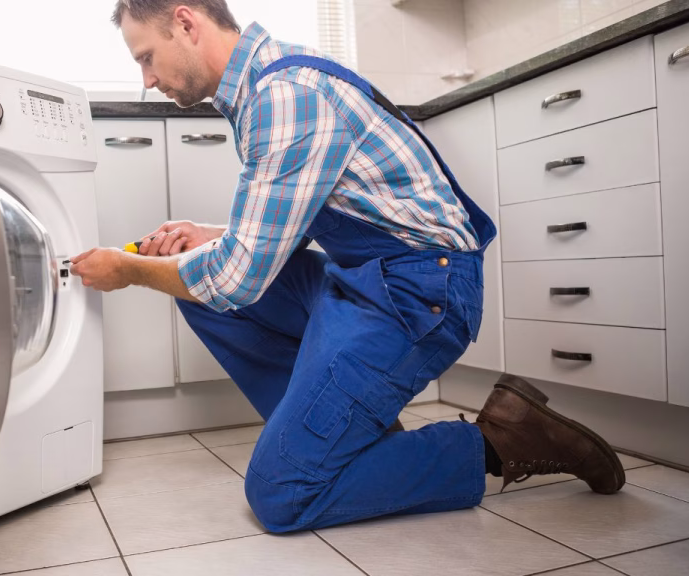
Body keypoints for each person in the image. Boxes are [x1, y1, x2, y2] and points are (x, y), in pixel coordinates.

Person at [70, 0, 625, 533]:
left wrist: (129, 270)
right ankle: (350, 433)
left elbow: (237, 278)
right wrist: (215, 234)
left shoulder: (284, 95)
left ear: (185, 24)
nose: (146, 78)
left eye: (145, 56)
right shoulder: (264, 84)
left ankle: (502, 440)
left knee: (282, 493)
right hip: (364, 278)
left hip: (419, 292)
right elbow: (300, 215)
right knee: (204, 295)